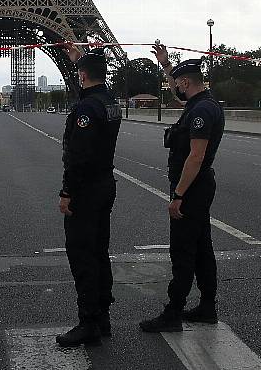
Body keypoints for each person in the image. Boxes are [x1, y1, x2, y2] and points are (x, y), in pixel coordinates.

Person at [140, 47, 225, 333]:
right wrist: (165, 65)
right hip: (200, 187)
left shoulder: (201, 110)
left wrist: (178, 195)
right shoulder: (203, 102)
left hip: (193, 189)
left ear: (186, 83)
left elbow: (196, 157)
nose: (175, 87)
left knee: (183, 251)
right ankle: (207, 307)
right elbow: (179, 96)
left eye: (178, 82)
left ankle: (173, 313)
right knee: (202, 249)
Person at [55, 45, 123, 347]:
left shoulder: (86, 108)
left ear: (82, 76)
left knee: (82, 256)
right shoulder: (110, 103)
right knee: (99, 253)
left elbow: (79, 156)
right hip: (105, 182)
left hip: (86, 189)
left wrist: (67, 190)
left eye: (80, 73)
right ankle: (102, 316)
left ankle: (88, 322)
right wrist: (80, 60)